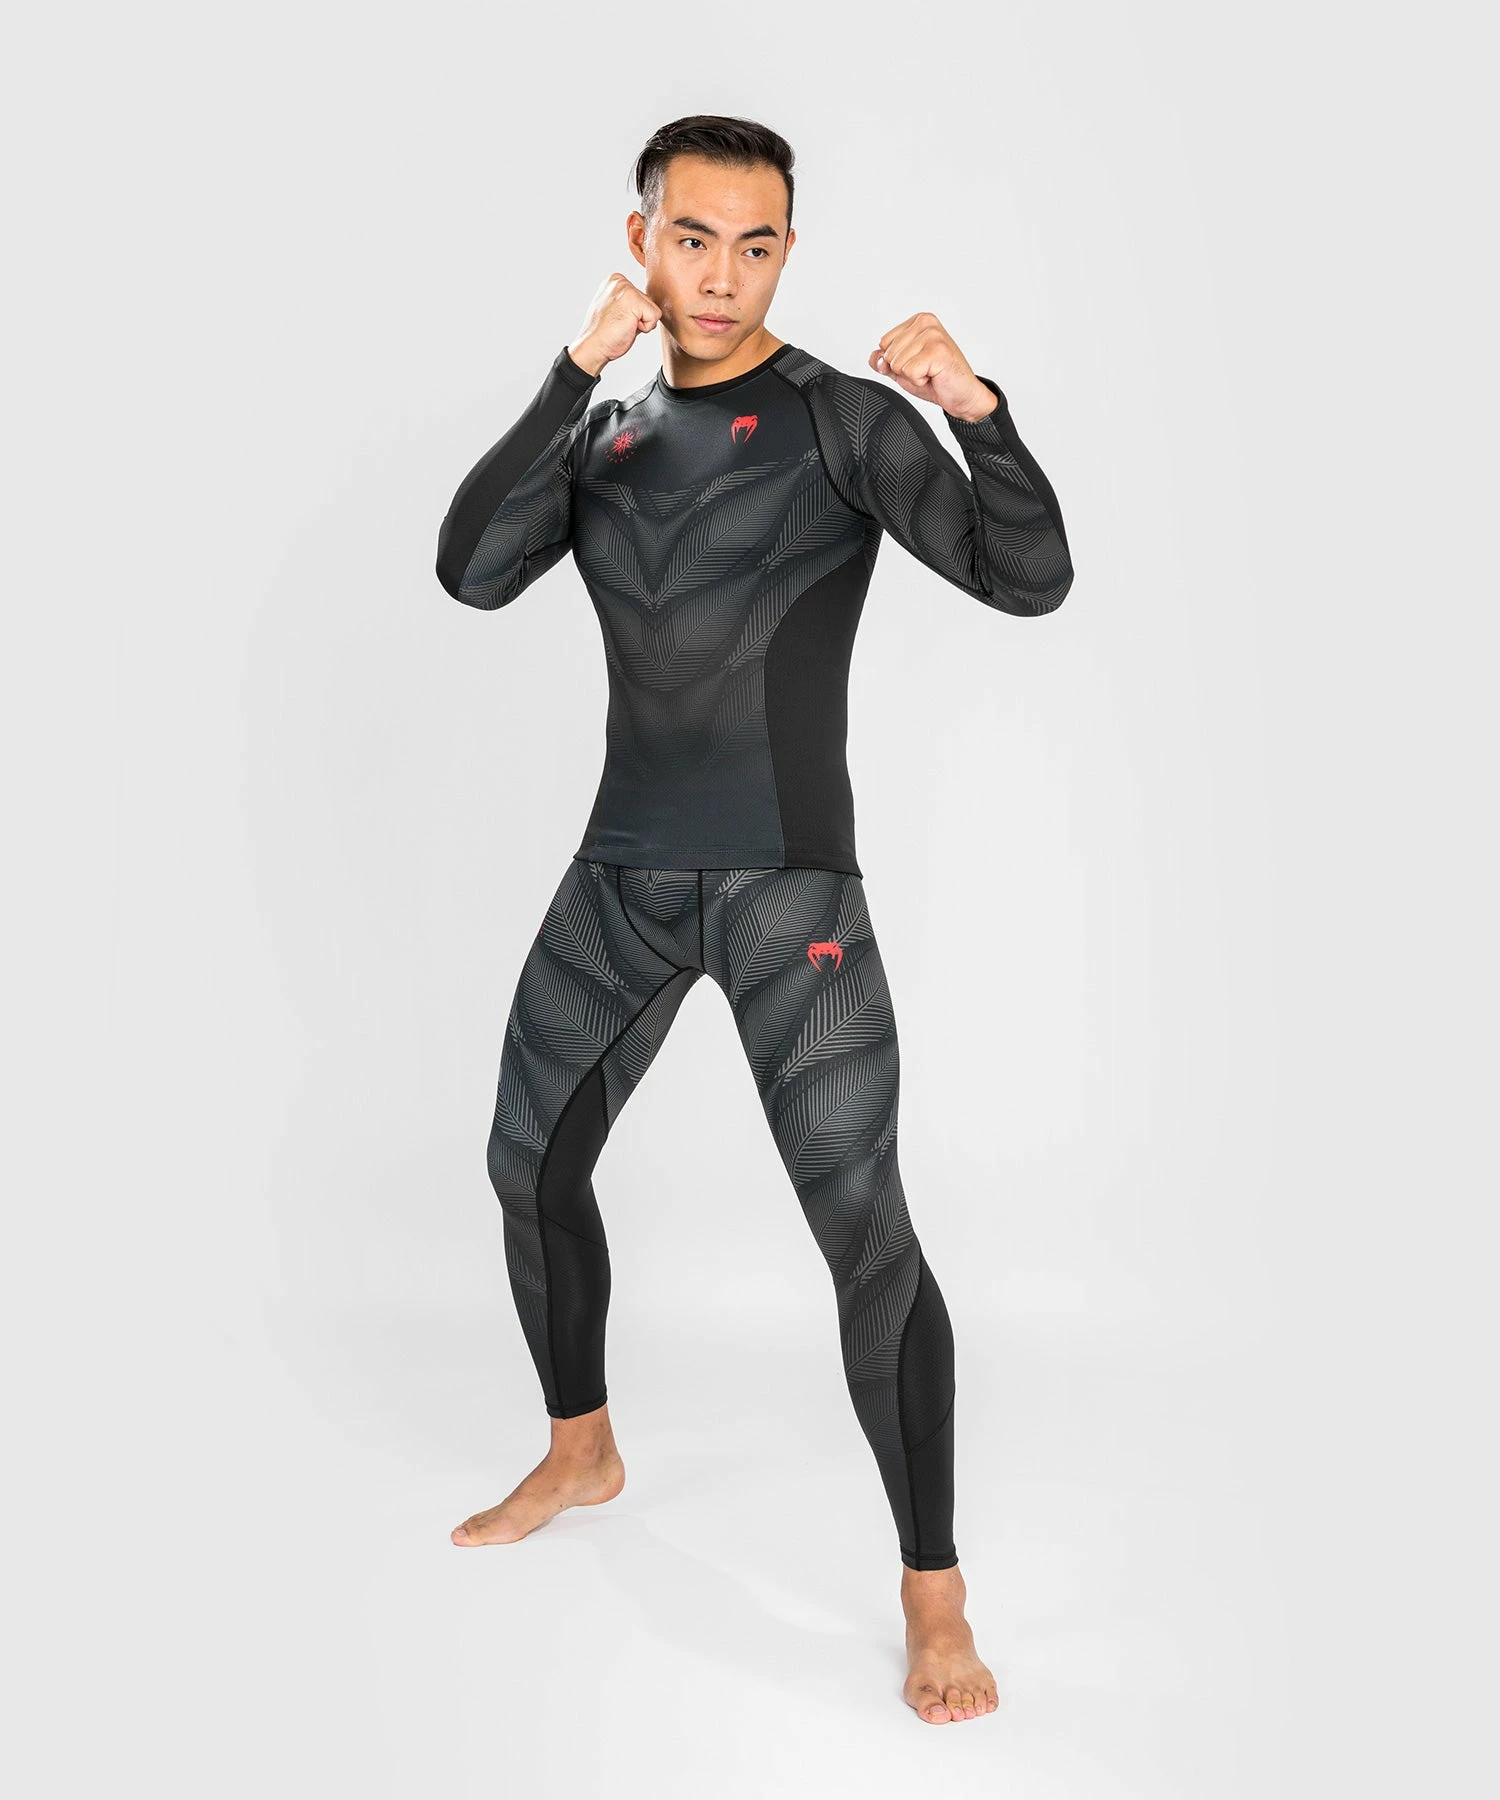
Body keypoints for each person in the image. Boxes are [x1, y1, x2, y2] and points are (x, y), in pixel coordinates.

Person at [433, 114, 1073, 1725]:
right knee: (527, 1165)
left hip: (793, 895)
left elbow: (1027, 577)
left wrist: (978, 415)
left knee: (864, 1234)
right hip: (622, 882)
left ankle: (935, 1591)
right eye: (693, 238)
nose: (722, 277)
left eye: (757, 245)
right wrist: (570, 375)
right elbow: (470, 572)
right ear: (641, 240)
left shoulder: (841, 421)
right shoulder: (605, 433)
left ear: (789, 251)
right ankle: (582, 1447)